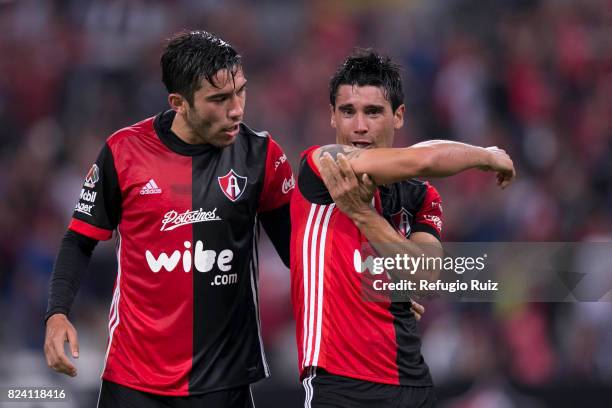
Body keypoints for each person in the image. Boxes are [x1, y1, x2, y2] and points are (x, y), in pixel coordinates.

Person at [43, 30, 297, 408]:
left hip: (223, 384)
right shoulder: (123, 152)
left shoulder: (260, 155)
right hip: (133, 382)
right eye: (219, 99)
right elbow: (79, 239)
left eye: (240, 91)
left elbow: (302, 251)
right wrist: (57, 313)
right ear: (179, 103)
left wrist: (377, 293)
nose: (237, 109)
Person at [290, 49, 515, 408]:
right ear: (332, 117)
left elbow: (425, 277)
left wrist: (364, 217)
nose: (359, 126)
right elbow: (422, 158)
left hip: (412, 384)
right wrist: (486, 154)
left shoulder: (420, 195)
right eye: (347, 111)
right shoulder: (323, 166)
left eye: (373, 112)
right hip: (339, 386)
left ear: (398, 117)